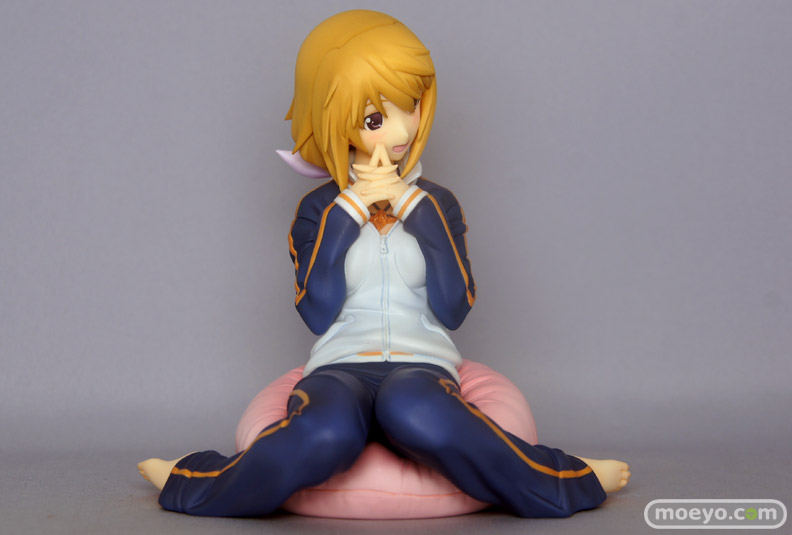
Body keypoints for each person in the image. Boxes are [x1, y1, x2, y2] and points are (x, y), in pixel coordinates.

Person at [138, 9, 630, 518]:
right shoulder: (318, 210)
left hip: (421, 365)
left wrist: (414, 207)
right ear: (336, 122)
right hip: (340, 366)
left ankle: (565, 478)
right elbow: (317, 311)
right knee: (327, 431)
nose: (401, 130)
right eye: (375, 119)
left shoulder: (438, 204)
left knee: (414, 409)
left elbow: (454, 307)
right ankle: (192, 478)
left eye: (410, 105)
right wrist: (349, 210)